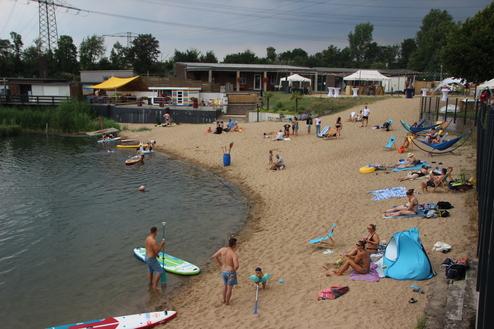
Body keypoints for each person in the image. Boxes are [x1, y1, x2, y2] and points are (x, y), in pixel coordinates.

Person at [211, 237, 239, 305]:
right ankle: (227, 302)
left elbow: (214, 256)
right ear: (234, 245)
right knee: (229, 288)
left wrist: (220, 264)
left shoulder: (222, 249)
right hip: (230, 272)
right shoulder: (233, 254)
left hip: (223, 271)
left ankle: (224, 300)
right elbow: (236, 266)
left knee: (225, 286)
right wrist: (234, 270)